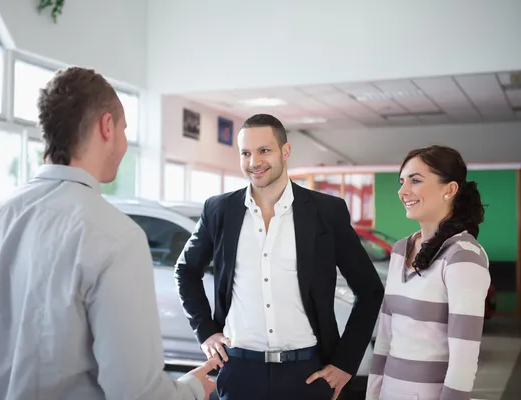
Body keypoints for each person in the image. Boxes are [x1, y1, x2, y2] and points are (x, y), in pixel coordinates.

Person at [0, 66, 219, 400]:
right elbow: (137, 394)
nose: (123, 143)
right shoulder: (115, 237)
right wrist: (193, 388)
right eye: (123, 129)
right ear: (107, 126)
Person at [174, 114, 385, 400]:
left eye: (264, 150)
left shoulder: (326, 212)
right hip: (238, 370)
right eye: (245, 153)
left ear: (285, 152)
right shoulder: (219, 210)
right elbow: (186, 271)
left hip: (308, 373)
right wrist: (206, 331)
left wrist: (345, 363)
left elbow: (369, 290)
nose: (254, 162)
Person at [366, 145, 491, 400]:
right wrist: (373, 393)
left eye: (416, 180)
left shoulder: (462, 256)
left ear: (450, 189)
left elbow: (463, 359)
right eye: (402, 182)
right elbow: (385, 338)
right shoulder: (401, 249)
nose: (403, 191)